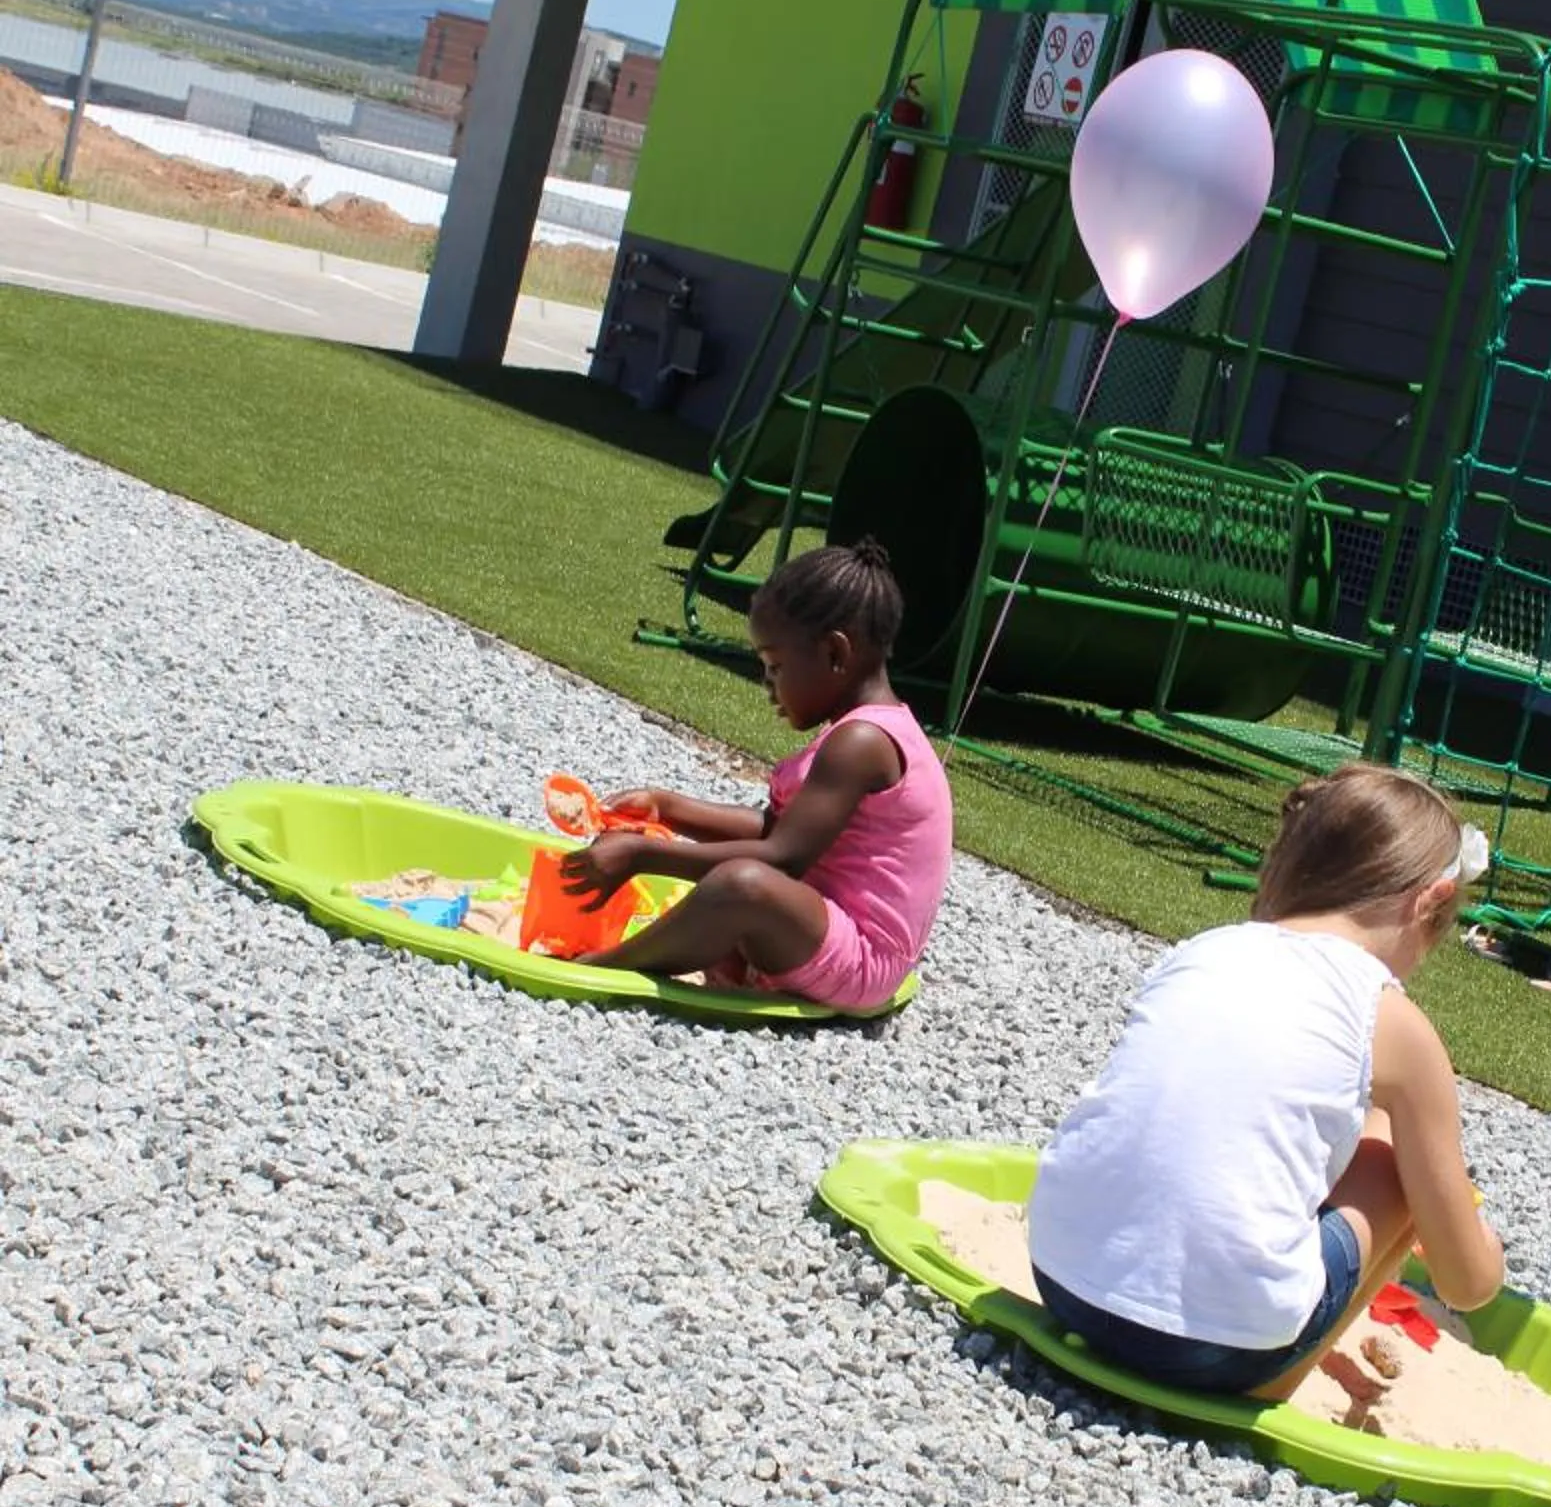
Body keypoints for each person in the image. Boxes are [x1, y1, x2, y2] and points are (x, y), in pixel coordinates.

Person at [1027, 763, 1503, 1400]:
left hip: (1061, 1277)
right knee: (1393, 1153)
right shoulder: (1391, 1019)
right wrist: (1481, 1247)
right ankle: (1277, 1375)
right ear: (1431, 902)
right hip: (1210, 1351)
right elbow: (1464, 1284)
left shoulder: (1206, 948)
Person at [560, 538, 952, 1012]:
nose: (767, 685)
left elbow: (782, 858)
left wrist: (641, 855)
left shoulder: (862, 742)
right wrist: (667, 808)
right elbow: (778, 831)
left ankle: (607, 967)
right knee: (732, 887)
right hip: (820, 927)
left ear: (835, 652)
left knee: (741, 884)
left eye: (775, 667)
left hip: (863, 963)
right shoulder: (859, 730)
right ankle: (718, 964)